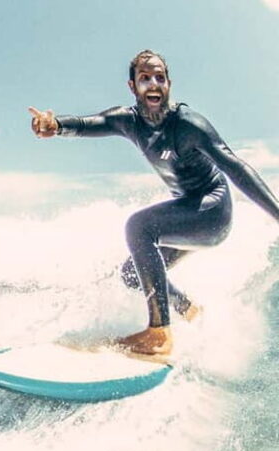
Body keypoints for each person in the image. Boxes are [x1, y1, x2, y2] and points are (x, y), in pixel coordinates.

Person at [28, 49, 279, 356]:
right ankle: (188, 309)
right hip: (187, 212)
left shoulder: (188, 125)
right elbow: (86, 123)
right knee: (134, 274)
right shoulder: (128, 121)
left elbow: (236, 168)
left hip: (212, 214)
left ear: (169, 84)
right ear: (132, 86)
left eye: (160, 77)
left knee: (139, 226)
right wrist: (55, 126)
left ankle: (158, 335)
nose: (153, 84)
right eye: (145, 78)